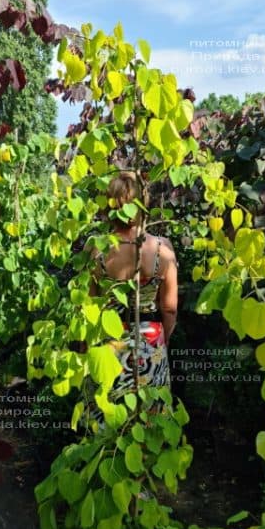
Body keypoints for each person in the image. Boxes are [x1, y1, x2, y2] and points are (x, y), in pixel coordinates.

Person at [83, 172, 178, 425]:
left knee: (109, 416)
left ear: (109, 204)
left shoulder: (97, 249)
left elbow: (91, 308)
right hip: (151, 343)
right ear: (140, 202)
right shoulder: (163, 248)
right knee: (151, 418)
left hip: (110, 343)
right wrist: (161, 339)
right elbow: (169, 308)